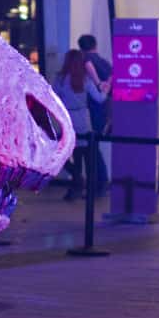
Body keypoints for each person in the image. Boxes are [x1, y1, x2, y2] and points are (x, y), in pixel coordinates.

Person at [53, 49, 109, 200]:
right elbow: (100, 99)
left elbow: (53, 99)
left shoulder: (60, 79)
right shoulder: (85, 80)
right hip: (83, 118)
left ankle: (76, 182)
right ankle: (88, 188)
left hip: (67, 118)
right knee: (86, 156)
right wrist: (105, 90)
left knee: (65, 153)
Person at [78, 34, 112, 187]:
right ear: (95, 45)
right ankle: (101, 180)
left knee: (92, 145)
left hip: (94, 108)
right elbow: (113, 75)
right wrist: (107, 86)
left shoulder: (86, 60)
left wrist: (99, 84)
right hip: (106, 107)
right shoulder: (104, 61)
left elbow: (89, 68)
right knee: (94, 145)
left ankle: (100, 181)